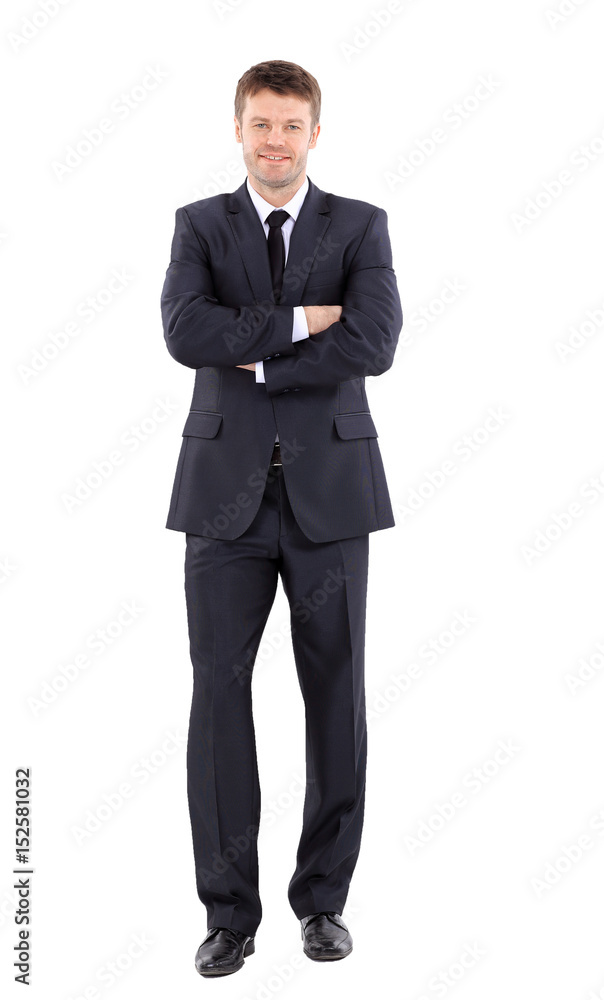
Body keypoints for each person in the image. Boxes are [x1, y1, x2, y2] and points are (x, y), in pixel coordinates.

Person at [160, 58, 403, 978]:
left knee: (335, 697)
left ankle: (324, 904)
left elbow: (375, 340)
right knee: (218, 699)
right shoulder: (199, 225)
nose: (275, 141)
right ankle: (229, 916)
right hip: (222, 500)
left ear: (313, 133)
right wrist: (304, 323)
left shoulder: (362, 226)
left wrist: (254, 353)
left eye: (290, 126)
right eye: (260, 124)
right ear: (238, 129)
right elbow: (186, 330)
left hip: (331, 497)